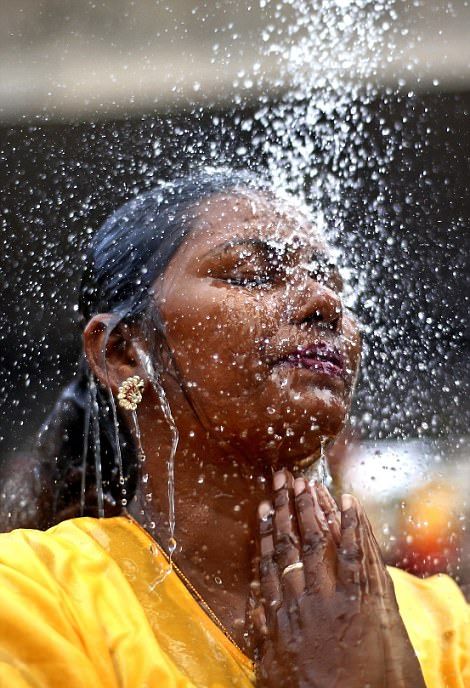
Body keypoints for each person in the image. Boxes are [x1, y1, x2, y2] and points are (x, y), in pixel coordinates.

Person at [0, 170, 468, 688]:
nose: (326, 304)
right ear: (124, 354)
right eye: (249, 273)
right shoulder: (34, 597)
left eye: (332, 282)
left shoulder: (444, 628)